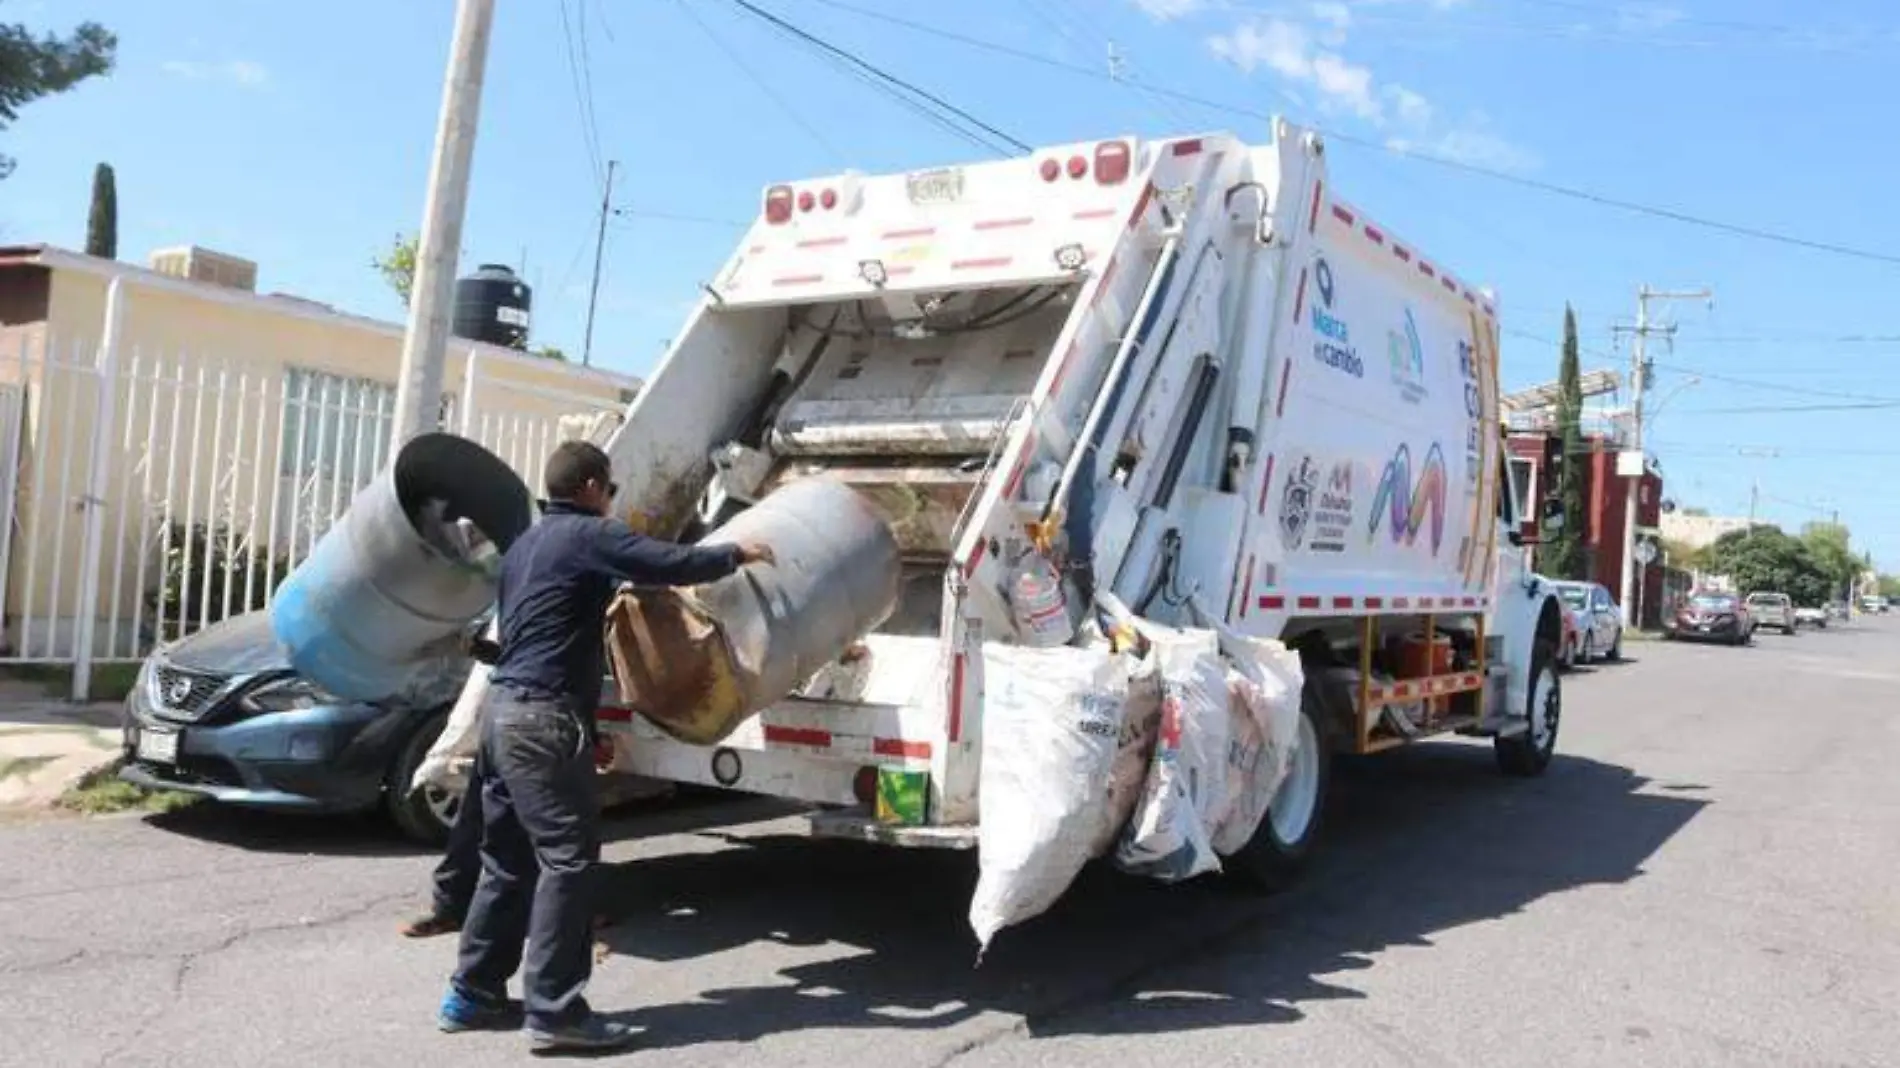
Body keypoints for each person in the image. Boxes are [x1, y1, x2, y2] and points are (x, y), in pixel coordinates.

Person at [437, 441, 772, 1053]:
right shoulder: (589, 535)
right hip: (543, 718)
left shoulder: (525, 546)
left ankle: (473, 993)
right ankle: (555, 1011)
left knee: (508, 860)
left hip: (504, 714)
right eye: (611, 489)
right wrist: (736, 552)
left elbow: (532, 629)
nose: (611, 499)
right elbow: (668, 563)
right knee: (568, 860)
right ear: (591, 487)